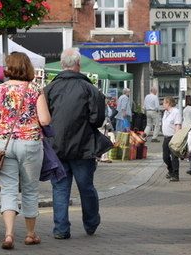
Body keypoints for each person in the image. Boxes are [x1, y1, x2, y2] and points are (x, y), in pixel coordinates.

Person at [0, 52, 51, 250]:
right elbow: (44, 120)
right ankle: (30, 234)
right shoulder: (35, 89)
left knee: (8, 189)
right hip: (30, 143)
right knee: (30, 189)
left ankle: (8, 235)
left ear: (9, 68)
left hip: (3, 144)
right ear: (27, 68)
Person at [44, 48, 106, 240]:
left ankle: (61, 229)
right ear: (78, 65)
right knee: (86, 187)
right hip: (83, 147)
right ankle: (91, 222)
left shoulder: (49, 89)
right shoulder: (90, 89)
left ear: (62, 65)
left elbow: (44, 119)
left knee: (60, 188)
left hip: (56, 147)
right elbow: (98, 120)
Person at [161, 96, 183, 182]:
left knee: (174, 157)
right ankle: (170, 170)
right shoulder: (166, 112)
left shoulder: (176, 112)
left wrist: (177, 138)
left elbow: (178, 125)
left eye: (164, 102)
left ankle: (176, 174)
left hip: (173, 137)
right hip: (166, 137)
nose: (163, 104)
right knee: (165, 157)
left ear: (168, 103)